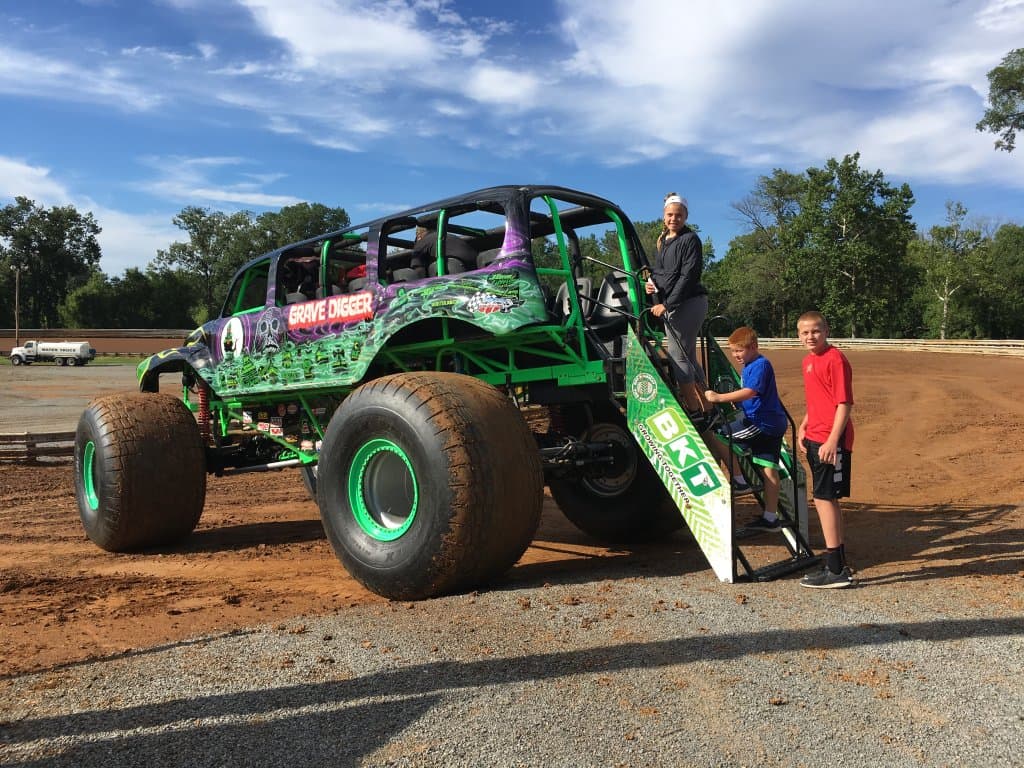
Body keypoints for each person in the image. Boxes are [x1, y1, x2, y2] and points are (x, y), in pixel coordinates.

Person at [704, 326, 788, 531]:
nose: (736, 355)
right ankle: (770, 517)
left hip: (760, 422)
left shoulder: (759, 365)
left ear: (753, 347)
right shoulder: (754, 364)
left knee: (719, 434)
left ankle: (739, 481)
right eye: (733, 351)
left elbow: (750, 392)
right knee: (768, 469)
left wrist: (719, 397)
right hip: (772, 422)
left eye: (740, 351)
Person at [796, 311, 855, 589]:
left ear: (826, 330)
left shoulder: (835, 359)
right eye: (805, 332)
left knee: (824, 499)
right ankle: (837, 564)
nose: (811, 336)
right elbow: (817, 398)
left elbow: (843, 403)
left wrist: (833, 440)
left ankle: (836, 571)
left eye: (816, 331)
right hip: (815, 435)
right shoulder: (808, 361)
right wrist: (804, 425)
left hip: (830, 440)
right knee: (825, 498)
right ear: (798, 335)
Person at [646, 192, 710, 416]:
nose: (674, 218)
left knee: (678, 356)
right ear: (664, 216)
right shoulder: (663, 241)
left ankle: (693, 409)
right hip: (675, 304)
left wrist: (668, 304)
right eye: (670, 215)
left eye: (679, 215)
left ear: (686, 216)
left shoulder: (689, 240)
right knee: (688, 357)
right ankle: (708, 405)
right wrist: (651, 283)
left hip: (688, 302)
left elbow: (688, 276)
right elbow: (662, 272)